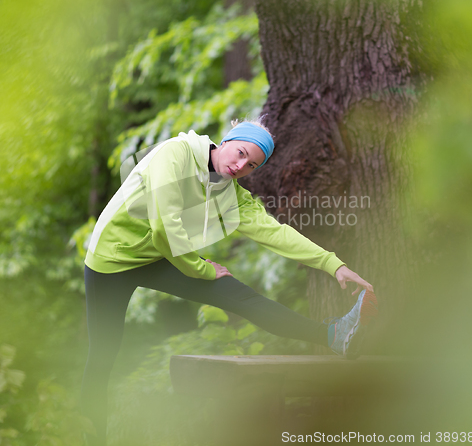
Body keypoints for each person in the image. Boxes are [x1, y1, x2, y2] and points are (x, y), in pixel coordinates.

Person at [80, 120, 377, 445]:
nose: (240, 166)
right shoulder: (174, 154)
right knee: (104, 353)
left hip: (160, 257)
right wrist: (200, 269)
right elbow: (164, 226)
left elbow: (275, 233)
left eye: (251, 164)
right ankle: (91, 436)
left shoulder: (231, 197)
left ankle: (333, 335)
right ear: (226, 141)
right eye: (240, 153)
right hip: (111, 260)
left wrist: (334, 266)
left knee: (240, 295)